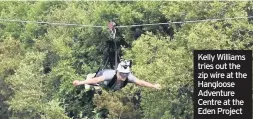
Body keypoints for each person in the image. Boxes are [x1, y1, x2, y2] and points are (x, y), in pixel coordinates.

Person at [73, 60, 161, 91]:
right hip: (102, 76)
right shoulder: (110, 75)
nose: (124, 76)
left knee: (101, 84)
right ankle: (90, 76)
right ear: (118, 72)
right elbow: (96, 80)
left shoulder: (128, 77)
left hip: (112, 86)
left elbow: (141, 82)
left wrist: (153, 86)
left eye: (126, 74)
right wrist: (80, 82)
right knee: (96, 82)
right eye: (122, 74)